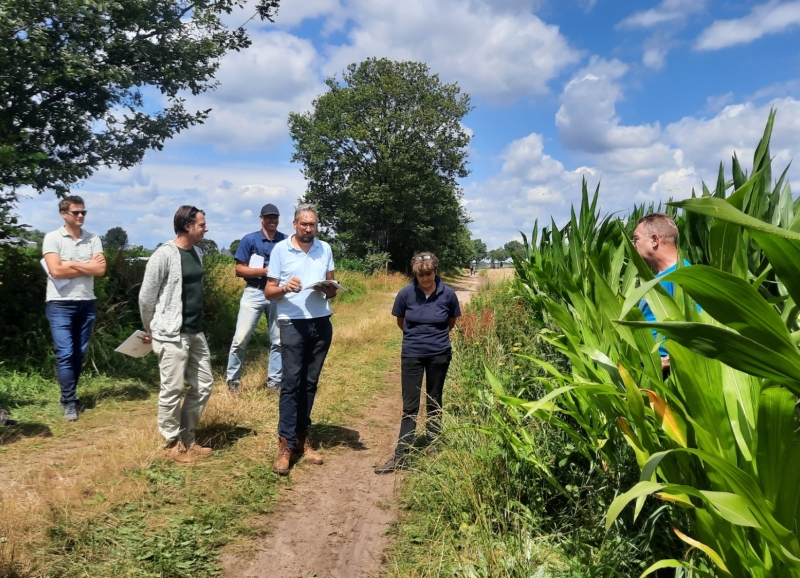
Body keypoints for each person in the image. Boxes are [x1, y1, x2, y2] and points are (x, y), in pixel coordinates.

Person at [264, 204, 338, 475]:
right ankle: (285, 444)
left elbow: (333, 290)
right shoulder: (281, 250)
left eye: (313, 224)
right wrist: (285, 288)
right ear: (295, 224)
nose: (309, 228)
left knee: (310, 383)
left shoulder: (325, 249)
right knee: (291, 384)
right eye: (304, 224)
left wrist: (329, 289)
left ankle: (303, 441)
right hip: (292, 323)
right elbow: (269, 292)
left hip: (321, 322)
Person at [139, 206, 214, 464]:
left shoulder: (198, 252)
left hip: (195, 331)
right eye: (202, 224)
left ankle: (188, 438)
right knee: (172, 388)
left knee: (204, 384)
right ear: (186, 226)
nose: (206, 228)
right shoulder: (164, 255)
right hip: (170, 333)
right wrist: (151, 327)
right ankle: (171, 444)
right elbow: (147, 296)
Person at [375, 252, 461, 474]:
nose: (425, 279)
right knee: (410, 406)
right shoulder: (406, 293)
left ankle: (434, 448)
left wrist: (433, 340)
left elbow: (450, 322)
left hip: (439, 354)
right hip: (412, 354)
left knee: (434, 400)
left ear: (435, 271)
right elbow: (401, 321)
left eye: (429, 273)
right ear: (415, 274)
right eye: (421, 275)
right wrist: (418, 340)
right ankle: (401, 454)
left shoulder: (448, 294)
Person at [42, 195, 106, 421]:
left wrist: (70, 263)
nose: (80, 216)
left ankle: (68, 397)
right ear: (64, 214)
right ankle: (69, 401)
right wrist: (86, 265)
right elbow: (56, 272)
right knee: (66, 353)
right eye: (76, 212)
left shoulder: (93, 239)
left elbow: (100, 271)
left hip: (86, 302)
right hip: (60, 304)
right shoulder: (52, 238)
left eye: (83, 212)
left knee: (78, 354)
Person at [225, 204, 287, 395]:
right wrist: (264, 271)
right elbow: (239, 269)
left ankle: (274, 383)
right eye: (268, 217)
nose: (272, 221)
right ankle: (232, 382)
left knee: (278, 340)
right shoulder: (249, 240)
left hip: (277, 293)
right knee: (241, 338)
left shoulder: (285, 240)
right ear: (261, 218)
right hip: (254, 292)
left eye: (275, 217)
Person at [632, 213, 688, 379]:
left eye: (636, 238)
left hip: (669, 376)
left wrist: (668, 362)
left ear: (654, 240)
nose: (633, 244)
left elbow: (702, 327)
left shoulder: (683, 275)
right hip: (650, 371)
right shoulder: (657, 279)